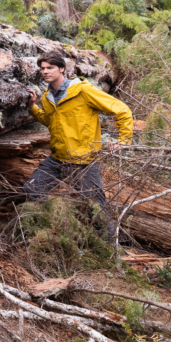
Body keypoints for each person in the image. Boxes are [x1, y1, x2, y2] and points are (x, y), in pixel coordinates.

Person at [25, 50, 133, 240]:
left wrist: (123, 140)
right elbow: (51, 122)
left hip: (85, 161)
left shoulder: (82, 91)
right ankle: (49, 234)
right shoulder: (48, 97)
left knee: (96, 209)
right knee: (33, 189)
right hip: (57, 159)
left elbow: (121, 110)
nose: (45, 72)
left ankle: (108, 249)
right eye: (42, 68)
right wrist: (33, 107)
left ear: (62, 69)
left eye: (50, 68)